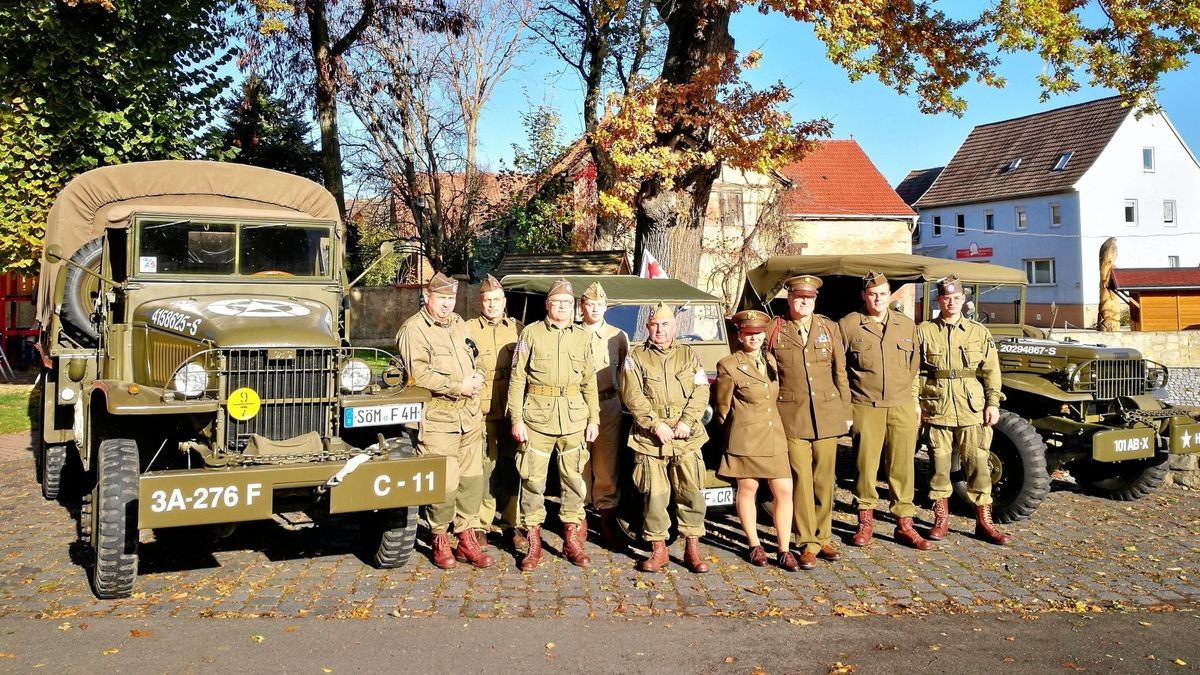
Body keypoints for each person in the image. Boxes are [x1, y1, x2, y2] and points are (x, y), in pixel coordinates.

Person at [395, 272, 494, 569]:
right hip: (438, 417)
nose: (447, 305)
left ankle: (466, 538)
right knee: (444, 484)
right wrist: (457, 385)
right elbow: (420, 374)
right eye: (442, 299)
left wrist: (477, 376)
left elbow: (474, 356)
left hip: (469, 416)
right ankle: (439, 538)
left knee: (471, 481)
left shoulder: (459, 324)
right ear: (427, 297)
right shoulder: (413, 330)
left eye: (451, 299)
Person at [507, 277, 600, 570]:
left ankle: (572, 539)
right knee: (533, 480)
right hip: (537, 417)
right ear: (548, 305)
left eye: (567, 303)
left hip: (573, 417)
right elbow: (517, 377)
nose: (562, 307)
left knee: (573, 480)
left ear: (574, 307)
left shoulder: (582, 337)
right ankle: (533, 541)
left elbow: (589, 381)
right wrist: (517, 419)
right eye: (557, 303)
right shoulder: (531, 334)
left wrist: (594, 418)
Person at [839, 271, 931, 550]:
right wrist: (846, 407)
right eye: (872, 294)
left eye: (882, 294)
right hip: (865, 405)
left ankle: (904, 523)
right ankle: (864, 521)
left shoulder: (905, 325)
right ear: (863, 296)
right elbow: (839, 369)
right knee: (865, 466)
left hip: (901, 405)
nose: (877, 299)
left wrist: (914, 401)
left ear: (889, 295)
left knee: (902, 467)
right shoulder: (850, 325)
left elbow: (915, 367)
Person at [917, 275, 1011, 545]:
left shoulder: (978, 332)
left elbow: (991, 370)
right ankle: (940, 519)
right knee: (939, 464)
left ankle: (984, 521)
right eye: (947, 298)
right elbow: (915, 371)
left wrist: (993, 403)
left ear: (964, 300)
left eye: (957, 298)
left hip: (972, 407)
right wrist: (917, 402)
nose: (952, 302)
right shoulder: (925, 331)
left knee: (978, 464)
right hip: (937, 406)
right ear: (939, 300)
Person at [620, 302, 711, 573]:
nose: (659, 330)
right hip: (650, 437)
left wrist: (687, 421)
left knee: (692, 491)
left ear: (674, 327)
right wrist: (654, 424)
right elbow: (631, 394)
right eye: (655, 325)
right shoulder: (635, 357)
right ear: (647, 327)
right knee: (655, 494)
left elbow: (701, 390)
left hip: (686, 436)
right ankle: (658, 550)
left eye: (665, 325)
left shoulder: (689, 356)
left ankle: (692, 548)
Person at [768, 274, 851, 570]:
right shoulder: (775, 329)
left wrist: (846, 411)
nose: (804, 302)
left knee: (825, 479)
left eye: (809, 298)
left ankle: (824, 535)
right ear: (789, 298)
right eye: (799, 298)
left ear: (816, 300)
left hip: (827, 415)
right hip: (792, 416)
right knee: (801, 480)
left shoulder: (829, 328)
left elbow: (840, 372)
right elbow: (768, 374)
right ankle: (806, 542)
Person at [712, 309, 798, 571]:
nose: (754, 339)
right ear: (739, 335)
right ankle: (754, 544)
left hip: (774, 436)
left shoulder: (770, 360)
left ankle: (783, 549)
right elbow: (722, 407)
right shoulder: (728, 365)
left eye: (759, 334)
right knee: (747, 490)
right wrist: (737, 430)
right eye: (749, 334)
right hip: (747, 438)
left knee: (784, 491)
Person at [465, 274, 524, 549]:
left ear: (504, 302)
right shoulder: (467, 330)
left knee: (513, 467)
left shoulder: (518, 329)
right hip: (482, 409)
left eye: (496, 300)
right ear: (480, 302)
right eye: (487, 300)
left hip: (511, 409)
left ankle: (512, 521)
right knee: (484, 468)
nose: (492, 305)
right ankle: (480, 523)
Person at [578, 282, 630, 548]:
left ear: (606, 307)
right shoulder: (572, 333)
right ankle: (578, 517)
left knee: (606, 462)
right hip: (577, 405)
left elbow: (624, 370)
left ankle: (607, 517)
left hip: (607, 402)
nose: (595, 309)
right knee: (577, 462)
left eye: (599, 304)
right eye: (590, 304)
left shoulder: (618, 336)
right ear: (582, 306)